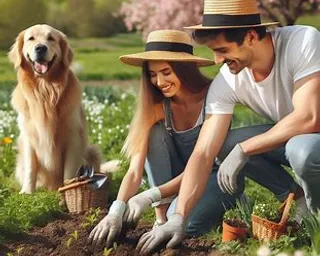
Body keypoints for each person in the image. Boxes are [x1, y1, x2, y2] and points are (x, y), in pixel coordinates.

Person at [136, 0, 320, 254]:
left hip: (312, 138)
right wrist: (179, 215)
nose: (217, 59)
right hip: (293, 137)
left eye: (222, 49)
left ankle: (316, 219)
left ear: (251, 35)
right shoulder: (228, 80)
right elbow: (203, 153)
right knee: (224, 144)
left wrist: (245, 149)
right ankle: (297, 198)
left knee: (303, 151)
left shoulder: (302, 41)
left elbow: (309, 118)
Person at [88, 29, 245, 249]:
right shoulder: (157, 107)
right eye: (152, 74)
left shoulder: (214, 96)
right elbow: (135, 169)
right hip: (177, 182)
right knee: (155, 134)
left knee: (185, 225)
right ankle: (162, 218)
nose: (159, 81)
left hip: (216, 177)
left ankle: (233, 200)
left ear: (185, 70)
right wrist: (117, 210)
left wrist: (149, 195)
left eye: (166, 72)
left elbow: (202, 162)